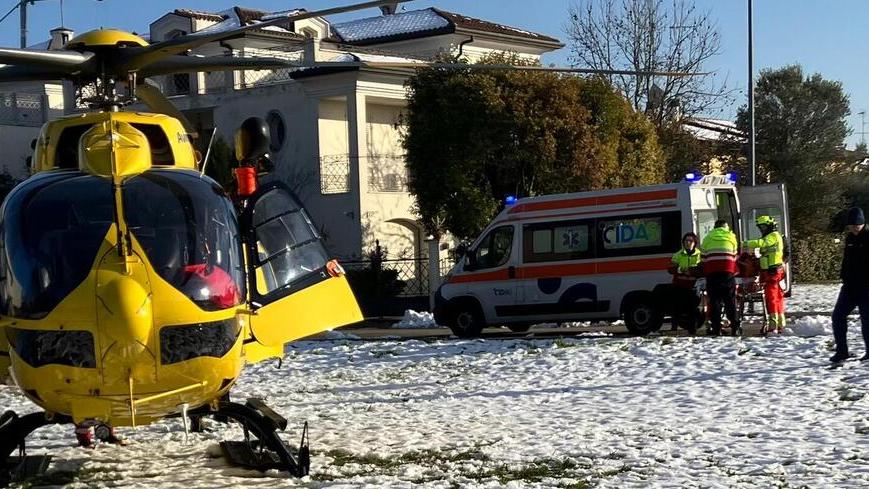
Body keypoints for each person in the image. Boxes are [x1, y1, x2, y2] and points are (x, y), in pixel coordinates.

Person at [830, 207, 869, 362]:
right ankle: (842, 351)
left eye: (857, 225)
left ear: (862, 223)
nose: (854, 228)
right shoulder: (850, 239)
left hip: (866, 288)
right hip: (850, 287)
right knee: (838, 316)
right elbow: (847, 261)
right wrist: (844, 276)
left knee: (867, 321)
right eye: (851, 225)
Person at [742, 215, 786, 334]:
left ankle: (773, 325)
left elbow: (762, 243)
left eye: (763, 226)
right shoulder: (775, 236)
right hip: (773, 271)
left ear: (770, 225)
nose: (762, 229)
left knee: (771, 298)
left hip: (772, 271)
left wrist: (745, 244)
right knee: (777, 298)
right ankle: (780, 323)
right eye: (760, 227)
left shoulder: (773, 235)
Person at [701, 220, 740, 336]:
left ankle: (716, 328)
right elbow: (734, 256)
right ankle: (734, 327)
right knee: (730, 300)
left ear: (715, 227)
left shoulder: (707, 238)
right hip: (727, 272)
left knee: (715, 301)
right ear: (725, 227)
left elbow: (703, 259)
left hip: (712, 273)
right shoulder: (731, 237)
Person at [668, 232, 703, 334]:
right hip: (679, 285)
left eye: (690, 241)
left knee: (693, 308)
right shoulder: (678, 255)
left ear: (695, 243)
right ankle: (674, 328)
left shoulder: (699, 256)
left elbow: (702, 270)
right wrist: (681, 270)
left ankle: (692, 330)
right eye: (686, 241)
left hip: (693, 287)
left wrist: (691, 271)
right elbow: (670, 268)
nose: (688, 243)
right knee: (676, 308)